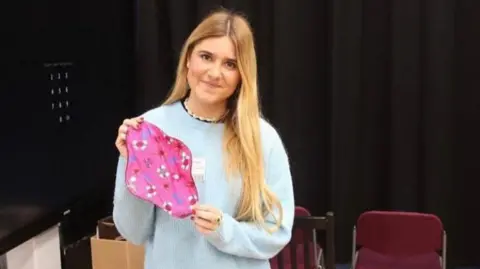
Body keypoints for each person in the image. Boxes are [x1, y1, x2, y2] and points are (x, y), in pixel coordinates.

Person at [113, 8, 295, 269]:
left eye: (230, 64)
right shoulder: (150, 129)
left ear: (242, 75)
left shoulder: (262, 138)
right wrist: (135, 165)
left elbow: (276, 232)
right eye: (206, 57)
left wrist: (225, 230)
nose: (214, 72)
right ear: (188, 59)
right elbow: (133, 232)